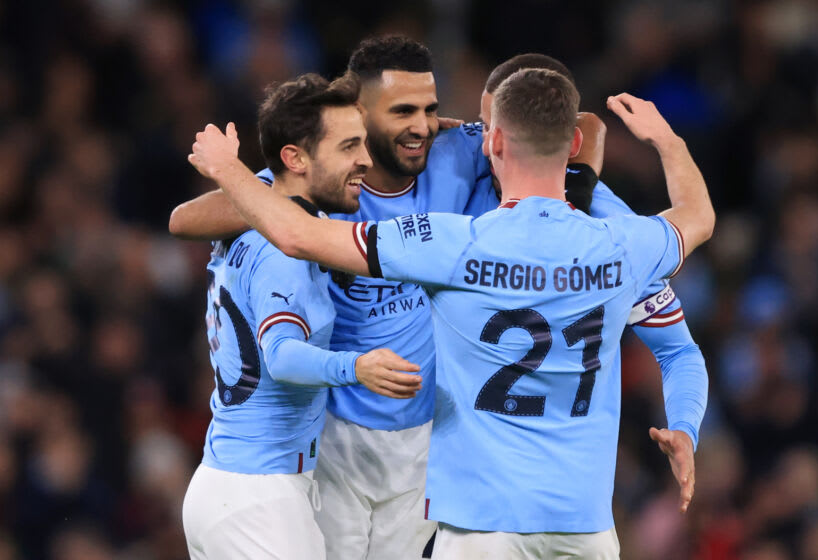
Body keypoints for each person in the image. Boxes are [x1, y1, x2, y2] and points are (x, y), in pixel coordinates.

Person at [172, 41, 709, 558]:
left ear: (496, 138)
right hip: (344, 439)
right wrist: (663, 145)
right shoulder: (616, 242)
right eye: (404, 110)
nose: (425, 125)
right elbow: (186, 219)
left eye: (432, 111)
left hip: (436, 454)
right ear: (357, 117)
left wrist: (228, 167)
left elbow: (585, 127)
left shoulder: (453, 226)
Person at [181, 72, 423, 560]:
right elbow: (282, 356)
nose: (365, 160)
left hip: (232, 485)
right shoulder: (284, 252)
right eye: (349, 146)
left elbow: (186, 218)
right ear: (294, 158)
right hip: (258, 494)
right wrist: (356, 367)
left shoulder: (254, 221)